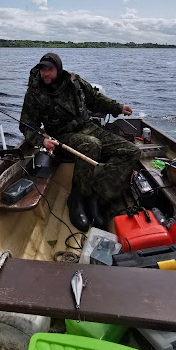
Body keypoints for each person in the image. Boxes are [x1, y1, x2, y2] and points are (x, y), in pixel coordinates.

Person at [19, 52, 141, 232]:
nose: (45, 73)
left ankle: (97, 196)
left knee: (130, 151)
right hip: (62, 137)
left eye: (50, 69)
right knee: (91, 145)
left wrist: (118, 107)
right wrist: (41, 140)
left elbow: (95, 98)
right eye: (43, 69)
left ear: (58, 69)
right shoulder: (35, 92)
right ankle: (77, 199)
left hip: (88, 127)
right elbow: (27, 124)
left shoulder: (74, 81)